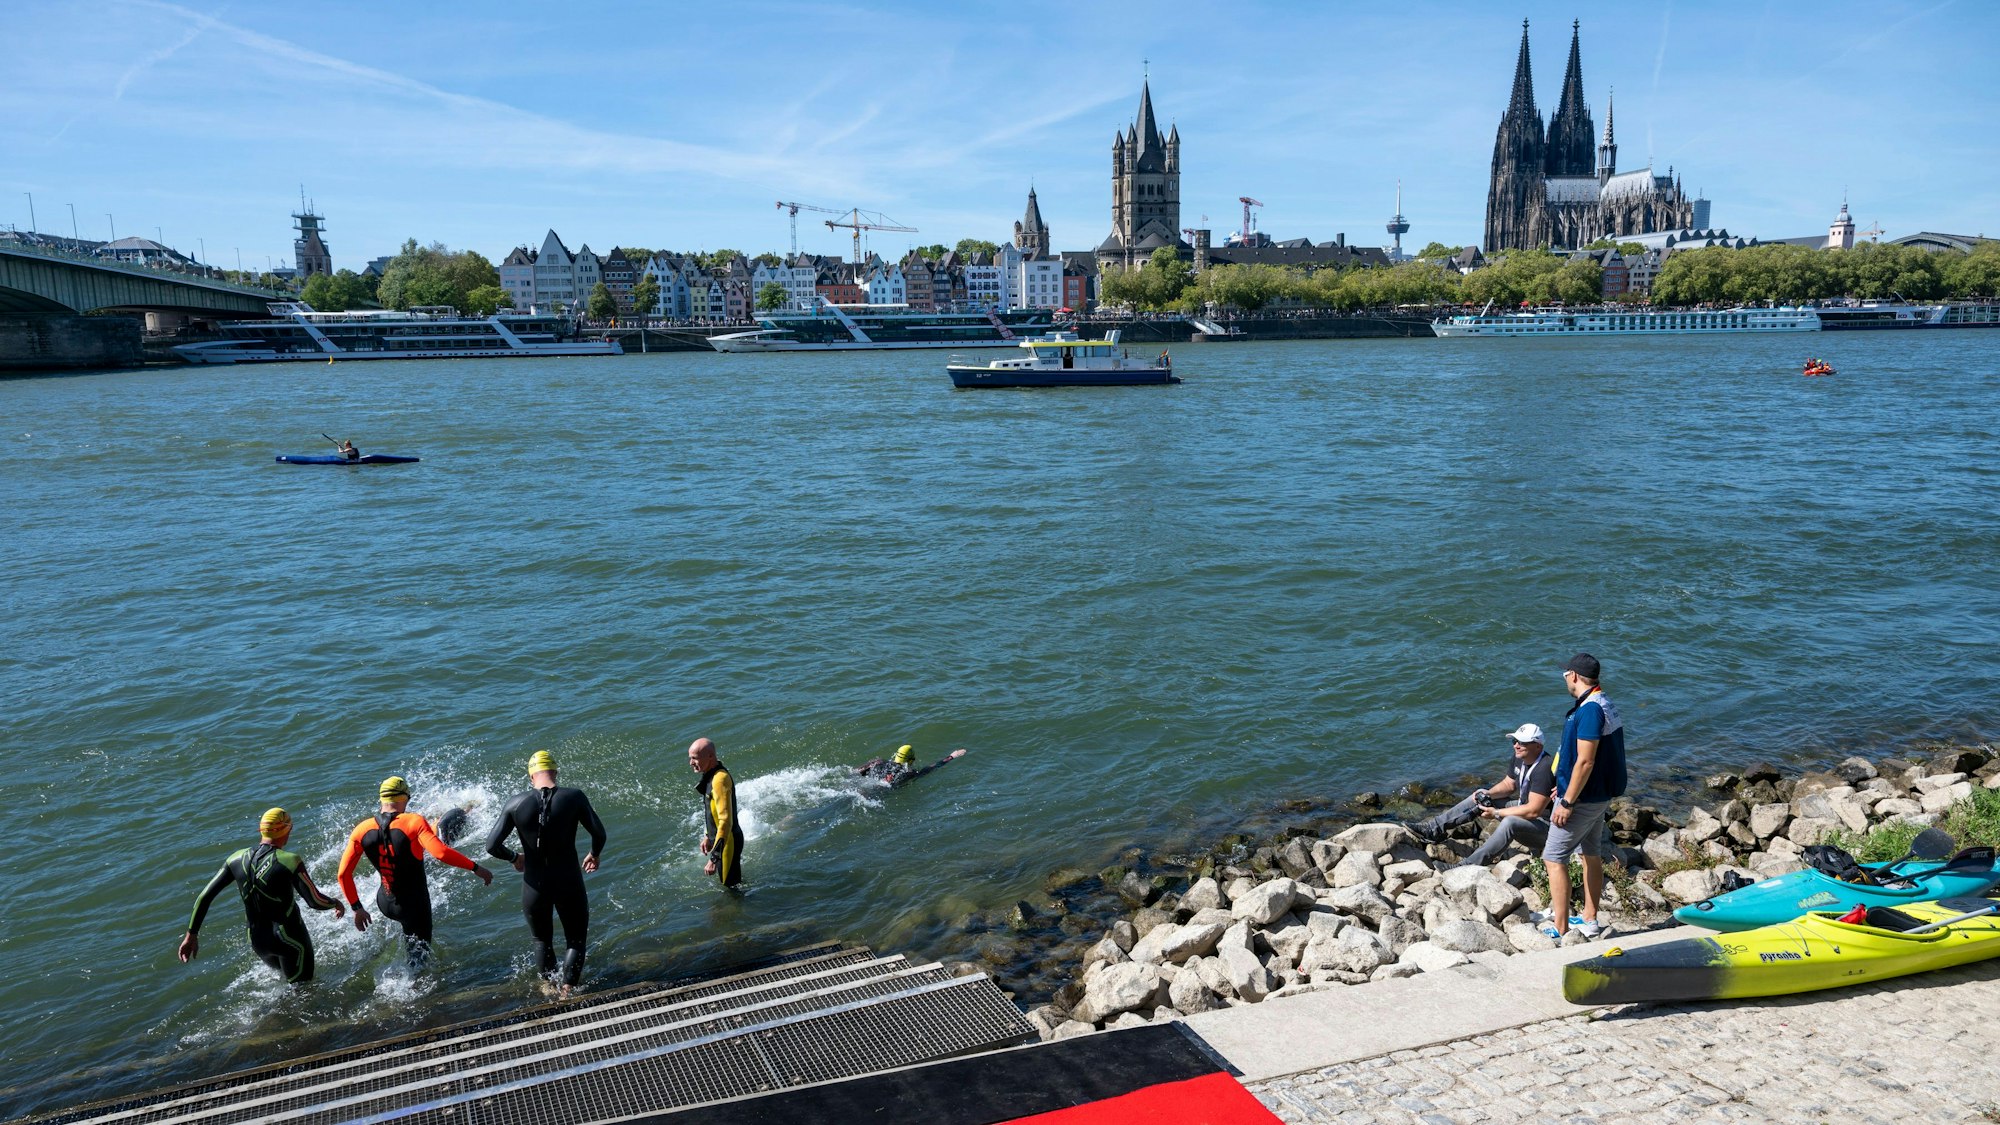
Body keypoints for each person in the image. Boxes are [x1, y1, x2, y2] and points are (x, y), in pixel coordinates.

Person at [336, 777, 492, 970]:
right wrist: (477, 868)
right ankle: (416, 989)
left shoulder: (361, 829)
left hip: (385, 902)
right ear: (405, 798)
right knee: (418, 960)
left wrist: (357, 908)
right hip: (414, 906)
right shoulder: (413, 821)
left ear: (382, 800)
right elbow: (441, 853)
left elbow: (343, 874)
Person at [485, 751, 606, 995]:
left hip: (534, 884)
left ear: (531, 776)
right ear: (555, 772)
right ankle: (568, 989)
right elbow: (599, 833)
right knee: (575, 939)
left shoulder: (515, 803)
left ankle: (548, 988)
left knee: (541, 940)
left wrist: (514, 857)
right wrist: (594, 854)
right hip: (568, 879)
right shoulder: (574, 797)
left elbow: (491, 846)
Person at [178, 807, 344, 984]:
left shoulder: (236, 858)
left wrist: (191, 935)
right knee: (304, 991)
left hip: (258, 941)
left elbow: (204, 897)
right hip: (290, 940)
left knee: (287, 986)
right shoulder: (289, 860)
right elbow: (315, 901)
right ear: (286, 829)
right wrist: (335, 903)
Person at [1541, 653, 1629, 940]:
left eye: (1565, 673)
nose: (1565, 678)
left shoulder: (1589, 710)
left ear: (1575, 676)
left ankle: (1561, 927)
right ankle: (1589, 919)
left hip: (1582, 800)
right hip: (1597, 795)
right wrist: (1564, 784)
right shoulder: (1603, 701)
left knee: (1554, 858)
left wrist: (1567, 800)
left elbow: (1586, 761)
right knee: (1590, 854)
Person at [1408, 724, 1555, 867]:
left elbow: (1533, 810)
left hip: (1545, 826)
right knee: (1481, 797)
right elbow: (1509, 785)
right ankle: (1433, 829)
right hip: (1524, 809)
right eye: (1514, 741)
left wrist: (1496, 812)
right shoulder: (1520, 757)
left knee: (1510, 823)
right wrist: (1488, 793)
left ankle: (1468, 865)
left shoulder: (1544, 768)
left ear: (1538, 746)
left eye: (1522, 742)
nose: (1516, 745)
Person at [689, 738, 743, 889]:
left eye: (695, 758)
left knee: (732, 889)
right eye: (690, 758)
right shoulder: (710, 775)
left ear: (710, 756)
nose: (691, 763)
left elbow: (725, 821)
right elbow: (713, 812)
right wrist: (707, 836)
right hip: (723, 842)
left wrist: (714, 858)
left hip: (728, 843)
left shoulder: (720, 780)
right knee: (731, 885)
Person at [856, 744, 968, 789]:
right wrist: (952, 756)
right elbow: (933, 767)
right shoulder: (910, 774)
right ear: (910, 760)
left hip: (860, 785)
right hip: (878, 791)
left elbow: (855, 772)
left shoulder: (877, 761)